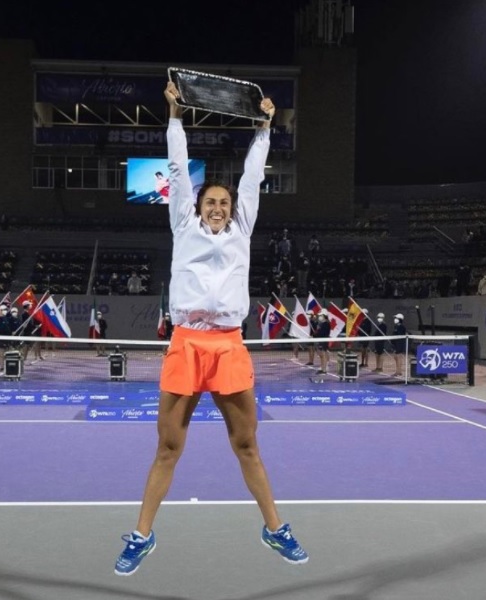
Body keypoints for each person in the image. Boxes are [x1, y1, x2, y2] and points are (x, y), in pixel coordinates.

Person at [115, 81, 307, 576]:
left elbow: (252, 177)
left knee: (247, 445)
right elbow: (179, 170)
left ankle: (274, 529)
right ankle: (142, 535)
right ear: (197, 207)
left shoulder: (243, 228)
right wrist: (175, 116)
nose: (218, 207)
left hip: (228, 346)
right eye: (210, 202)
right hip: (186, 344)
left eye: (223, 202)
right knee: (168, 448)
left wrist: (264, 128)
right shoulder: (183, 225)